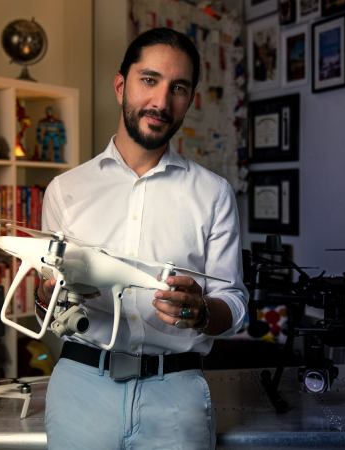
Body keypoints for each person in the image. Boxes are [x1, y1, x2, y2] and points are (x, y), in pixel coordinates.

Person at [36, 27, 247, 449]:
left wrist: (202, 312)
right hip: (81, 391)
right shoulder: (65, 190)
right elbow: (46, 298)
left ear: (190, 100)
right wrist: (44, 292)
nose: (161, 102)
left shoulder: (214, 194)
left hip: (177, 396)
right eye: (149, 80)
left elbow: (235, 305)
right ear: (121, 86)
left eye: (178, 88)